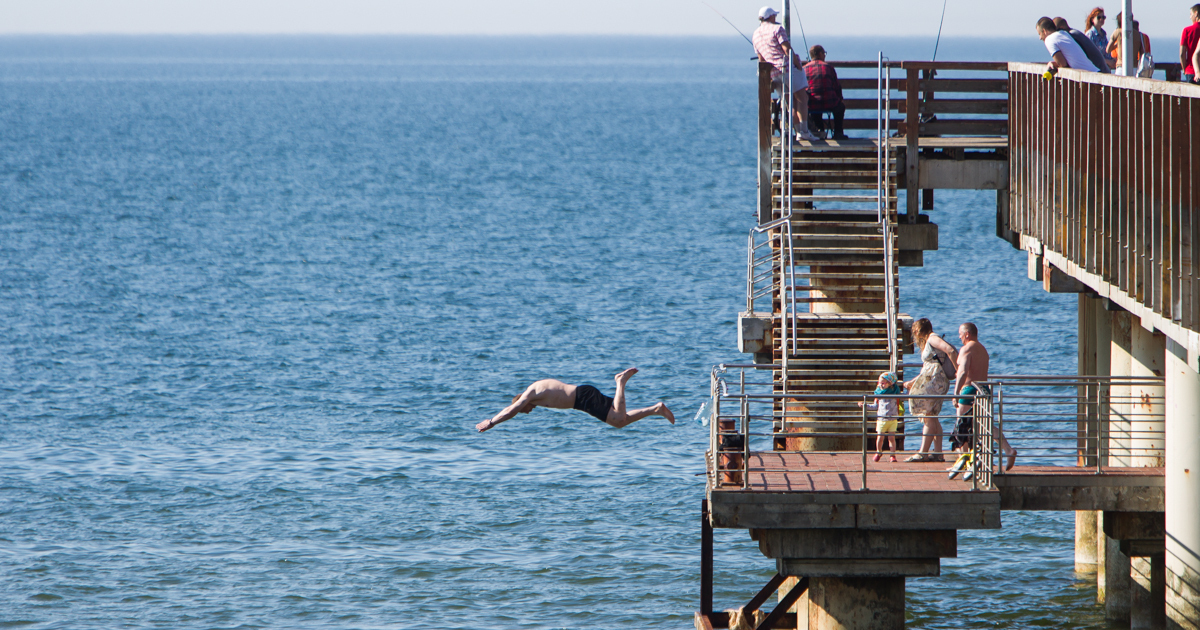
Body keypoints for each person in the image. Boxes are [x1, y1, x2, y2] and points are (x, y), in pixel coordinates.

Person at [476, 368, 674, 432]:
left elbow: (510, 411)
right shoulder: (534, 392)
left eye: (524, 410)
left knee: (619, 418)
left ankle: (620, 382)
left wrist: (492, 422)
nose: (527, 412)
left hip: (582, 397)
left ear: (522, 403)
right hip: (582, 399)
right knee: (619, 422)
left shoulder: (530, 394)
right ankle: (656, 409)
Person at [952, 323, 1017, 471]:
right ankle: (1008, 449)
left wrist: (956, 393)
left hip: (969, 390)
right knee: (985, 425)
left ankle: (966, 461)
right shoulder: (983, 350)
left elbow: (962, 372)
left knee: (961, 425)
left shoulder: (966, 349)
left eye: (960, 334)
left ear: (967, 334)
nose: (959, 337)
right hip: (984, 390)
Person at [753, 6, 818, 142]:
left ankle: (798, 131)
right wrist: (798, 64)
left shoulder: (755, 35)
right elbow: (787, 49)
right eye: (774, 16)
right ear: (770, 17)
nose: (775, 18)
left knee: (791, 103)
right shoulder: (777, 29)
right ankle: (804, 131)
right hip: (788, 69)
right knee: (802, 99)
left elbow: (761, 59)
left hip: (774, 73)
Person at [902, 318, 958, 463]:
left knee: (928, 415)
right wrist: (913, 382)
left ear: (920, 330)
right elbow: (927, 368)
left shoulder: (933, 338)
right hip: (934, 379)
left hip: (935, 381)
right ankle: (938, 453)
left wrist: (959, 373)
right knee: (932, 415)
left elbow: (950, 350)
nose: (914, 334)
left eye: (915, 331)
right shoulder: (930, 341)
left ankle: (923, 453)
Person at [858, 372, 906, 463]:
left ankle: (892, 455)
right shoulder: (878, 393)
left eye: (883, 383)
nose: (880, 385)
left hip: (892, 419)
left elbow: (904, 398)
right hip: (881, 419)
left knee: (891, 438)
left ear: (890, 383)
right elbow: (875, 406)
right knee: (880, 438)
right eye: (879, 382)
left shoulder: (895, 393)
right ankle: (878, 452)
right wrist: (865, 405)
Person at [804, 45, 848, 140]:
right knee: (840, 108)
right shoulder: (829, 68)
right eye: (824, 53)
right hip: (829, 103)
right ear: (820, 54)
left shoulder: (804, 69)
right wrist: (839, 99)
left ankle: (819, 131)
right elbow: (837, 87)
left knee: (815, 110)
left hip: (811, 104)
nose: (825, 56)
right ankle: (838, 133)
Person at [1037, 17, 1101, 73]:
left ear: (1044, 31)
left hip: (1087, 76)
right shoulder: (1064, 33)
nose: (1040, 38)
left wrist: (1051, 64)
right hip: (1095, 71)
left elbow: (1062, 64)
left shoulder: (1049, 40)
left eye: (1039, 34)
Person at [1181, 4, 1200, 83]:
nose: (1190, 17)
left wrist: (1184, 69)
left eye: (1190, 14)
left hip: (1190, 70)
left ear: (1196, 14)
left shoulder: (1187, 30)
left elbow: (1182, 53)